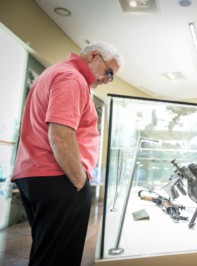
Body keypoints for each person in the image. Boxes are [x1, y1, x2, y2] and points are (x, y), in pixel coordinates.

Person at [11, 42, 124, 266]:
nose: (107, 80)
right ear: (94, 56)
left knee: (47, 252)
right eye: (108, 72)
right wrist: (80, 182)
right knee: (59, 258)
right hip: (59, 177)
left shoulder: (56, 72)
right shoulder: (72, 78)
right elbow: (60, 136)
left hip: (39, 175)